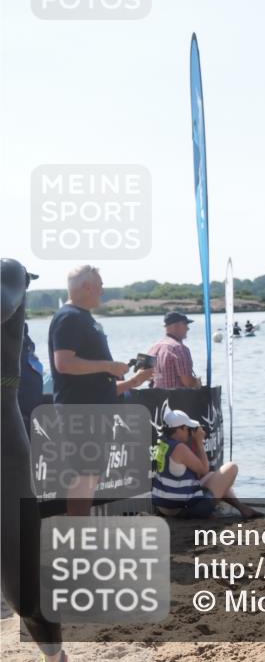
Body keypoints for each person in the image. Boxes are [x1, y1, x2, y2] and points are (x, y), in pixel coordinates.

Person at [1, 259, 64, 662]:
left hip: (2, 446)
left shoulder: (7, 270)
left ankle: (54, 655)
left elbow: (3, 304)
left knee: (20, 571)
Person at [48, 265, 135, 515]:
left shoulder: (82, 317)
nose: (103, 291)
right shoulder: (69, 317)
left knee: (89, 476)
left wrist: (117, 373)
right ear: (86, 287)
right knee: (84, 477)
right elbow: (64, 363)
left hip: (93, 410)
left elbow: (87, 369)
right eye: (100, 285)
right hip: (81, 411)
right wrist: (109, 366)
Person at [151, 408, 262, 519]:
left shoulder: (162, 443)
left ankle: (242, 508)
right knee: (232, 467)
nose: (190, 432)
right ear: (180, 429)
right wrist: (199, 442)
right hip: (184, 510)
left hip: (165, 507)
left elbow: (201, 475)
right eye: (188, 428)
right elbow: (204, 469)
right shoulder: (179, 448)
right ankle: (238, 509)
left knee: (213, 476)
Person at [149, 312, 202, 390]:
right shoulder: (179, 348)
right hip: (177, 399)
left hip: (157, 400)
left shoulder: (154, 348)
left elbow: (147, 377)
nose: (188, 328)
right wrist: (197, 382)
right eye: (185, 324)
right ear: (175, 326)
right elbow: (188, 382)